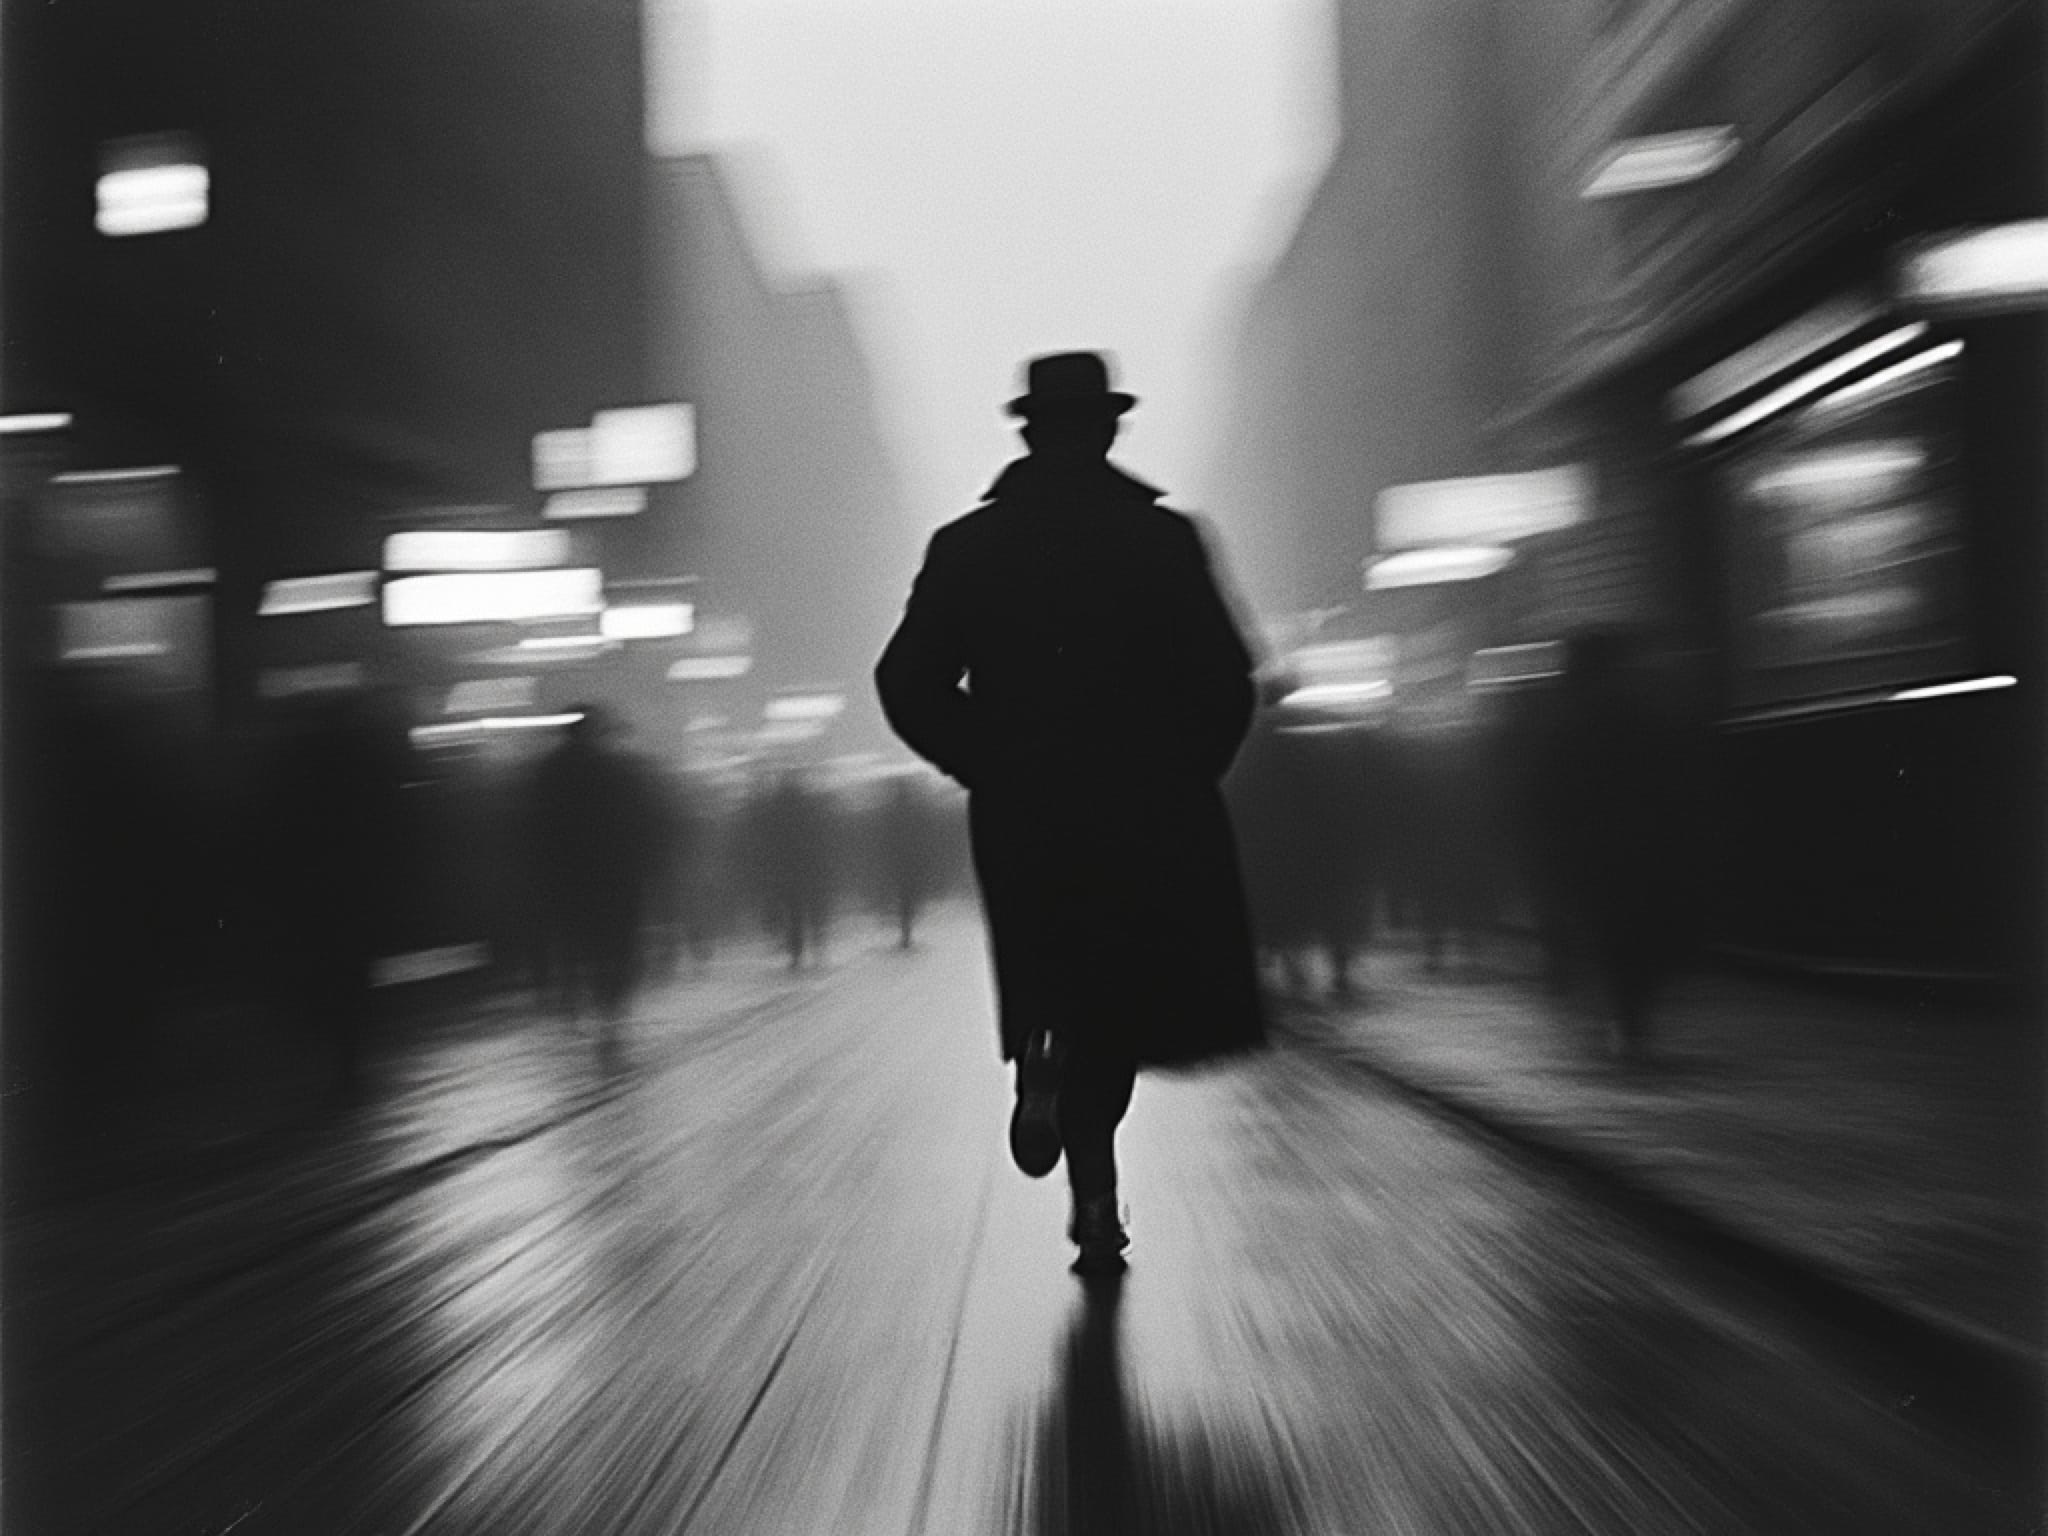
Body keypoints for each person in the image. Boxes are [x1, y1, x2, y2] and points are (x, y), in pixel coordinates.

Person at [875, 350, 1265, 1274]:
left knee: (1046, 968)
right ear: (1109, 430)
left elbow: (906, 679)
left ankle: (1039, 1063)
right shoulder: (1165, 541)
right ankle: (1096, 1196)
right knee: (1118, 1001)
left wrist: (984, 760)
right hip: (1141, 814)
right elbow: (1227, 681)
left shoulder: (968, 548)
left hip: (1025, 813)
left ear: (1029, 432)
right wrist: (1182, 773)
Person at [530, 705, 662, 1065]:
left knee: (574, 940)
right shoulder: (616, 771)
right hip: (613, 874)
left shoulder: (547, 772)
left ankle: (573, 998)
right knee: (615, 946)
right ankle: (608, 1010)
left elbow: (534, 827)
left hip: (566, 875)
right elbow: (641, 822)